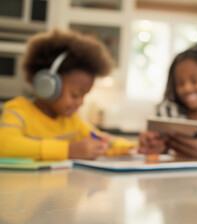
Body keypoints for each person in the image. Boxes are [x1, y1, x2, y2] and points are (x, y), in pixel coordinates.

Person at [0, 29, 135, 161]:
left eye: (84, 95)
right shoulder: (18, 111)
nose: (81, 102)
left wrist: (135, 147)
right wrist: (68, 150)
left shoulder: (72, 122)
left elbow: (103, 139)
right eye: (75, 95)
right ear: (47, 86)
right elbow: (4, 145)